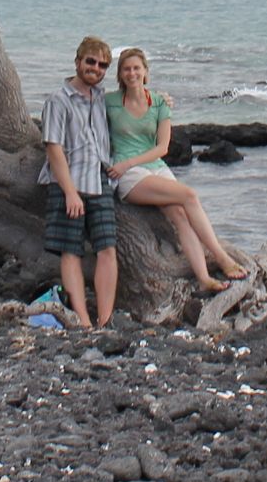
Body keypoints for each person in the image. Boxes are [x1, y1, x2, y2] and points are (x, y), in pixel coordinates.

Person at [105, 47, 248, 293]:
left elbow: (162, 148)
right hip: (128, 174)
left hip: (156, 167)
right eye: (126, 69)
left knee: (181, 215)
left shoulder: (159, 102)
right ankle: (221, 257)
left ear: (145, 71)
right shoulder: (110, 102)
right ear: (120, 74)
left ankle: (203, 278)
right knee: (189, 195)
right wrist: (124, 164)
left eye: (137, 68)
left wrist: (164, 99)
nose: (132, 73)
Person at [39, 35, 118, 328]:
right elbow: (53, 148)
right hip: (67, 182)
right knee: (71, 251)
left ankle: (105, 319)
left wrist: (161, 101)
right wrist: (70, 192)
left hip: (99, 179)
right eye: (91, 62)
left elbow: (135, 101)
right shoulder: (58, 100)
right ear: (77, 62)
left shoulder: (101, 99)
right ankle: (83, 320)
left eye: (102, 65)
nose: (95, 68)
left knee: (107, 249)